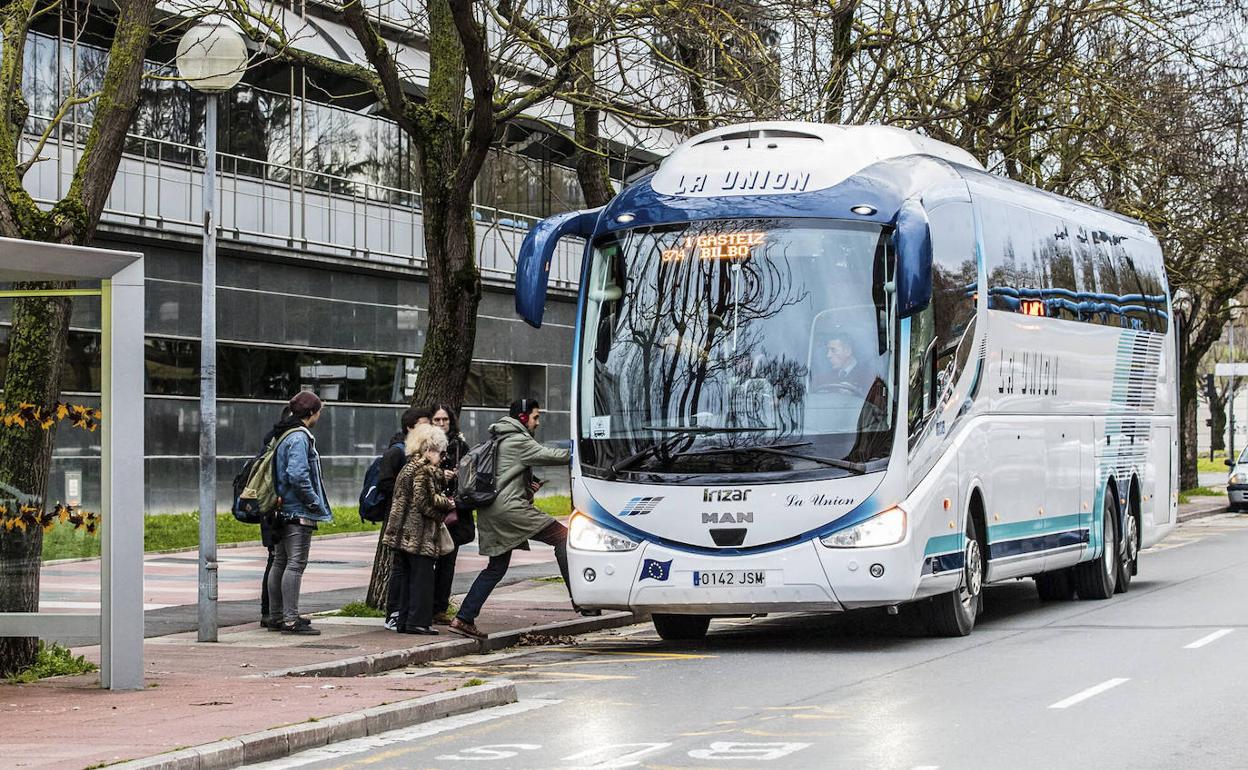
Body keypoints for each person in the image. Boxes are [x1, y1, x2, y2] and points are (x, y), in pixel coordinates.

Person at [449, 398, 575, 640]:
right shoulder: (518, 440)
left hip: (492, 511)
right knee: (564, 538)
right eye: (536, 417)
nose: (538, 423)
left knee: (496, 567)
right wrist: (585, 450)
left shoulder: (500, 438)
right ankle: (581, 599)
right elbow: (555, 456)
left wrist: (528, 488)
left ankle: (464, 618)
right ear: (523, 418)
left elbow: (506, 478)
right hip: (511, 511)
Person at [267, 391, 332, 635]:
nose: (319, 416)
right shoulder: (299, 437)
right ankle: (290, 620)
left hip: (282, 508)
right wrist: (314, 502)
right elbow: (297, 474)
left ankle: (277, 615)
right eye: (319, 412)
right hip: (297, 510)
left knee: (280, 561)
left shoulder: (283, 434)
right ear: (311, 413)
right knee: (295, 564)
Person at [381, 424, 455, 634]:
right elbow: (425, 502)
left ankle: (404, 620)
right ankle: (418, 622)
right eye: (440, 452)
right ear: (428, 449)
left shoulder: (409, 467)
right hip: (419, 533)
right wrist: (448, 503)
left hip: (403, 532)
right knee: (422, 579)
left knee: (406, 578)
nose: (442, 457)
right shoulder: (424, 470)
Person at [376, 406, 433, 631]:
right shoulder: (399, 453)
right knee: (402, 569)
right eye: (423, 424)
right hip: (403, 521)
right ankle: (396, 612)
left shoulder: (417, 456)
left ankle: (404, 615)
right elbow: (387, 484)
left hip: (407, 520)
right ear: (410, 427)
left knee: (409, 569)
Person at [430, 403, 475, 624]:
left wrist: (456, 475)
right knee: (427, 561)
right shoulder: (426, 444)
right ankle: (425, 605)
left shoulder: (460, 446)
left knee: (448, 561)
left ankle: (440, 607)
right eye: (437, 420)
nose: (441, 424)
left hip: (453, 511)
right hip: (431, 509)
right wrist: (439, 474)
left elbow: (470, 477)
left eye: (444, 420)